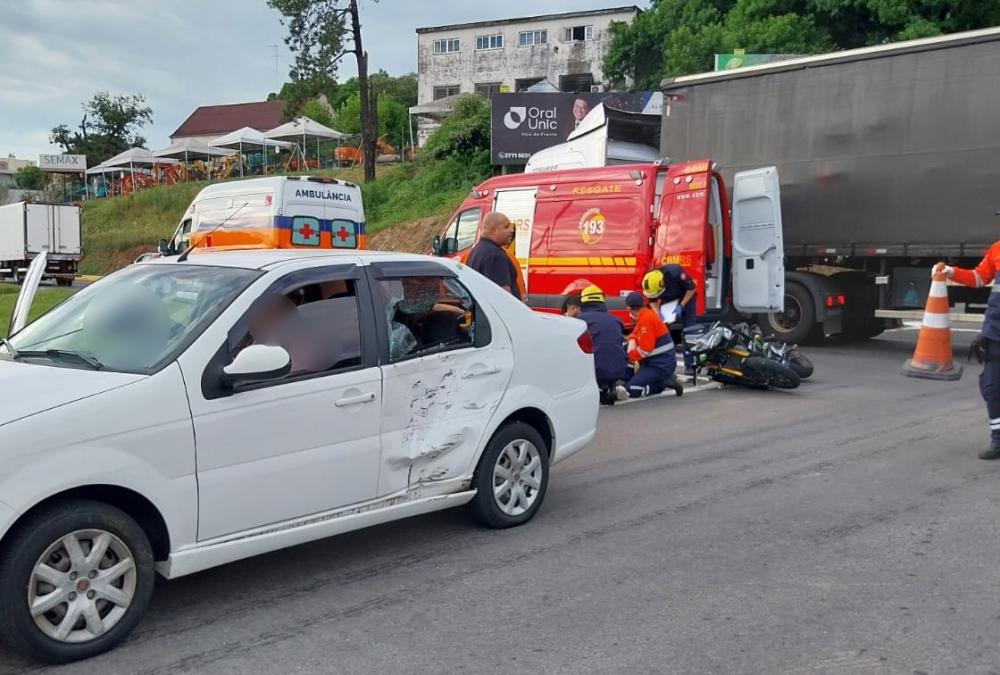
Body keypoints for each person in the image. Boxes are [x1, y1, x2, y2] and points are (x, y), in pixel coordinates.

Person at [937, 254, 1000, 459]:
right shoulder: (997, 249)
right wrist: (952, 272)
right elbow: (979, 278)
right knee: (992, 388)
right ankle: (998, 439)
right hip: (996, 332)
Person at [623, 292, 683, 399]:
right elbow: (634, 334)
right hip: (656, 362)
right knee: (627, 377)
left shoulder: (647, 319)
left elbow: (645, 350)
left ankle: (663, 384)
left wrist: (629, 355)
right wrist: (631, 341)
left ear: (629, 308)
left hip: (660, 365)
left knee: (632, 390)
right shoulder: (645, 315)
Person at [577, 285, 630, 405]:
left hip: (596, 371)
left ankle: (599, 390)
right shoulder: (616, 320)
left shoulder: (581, 321)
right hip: (619, 370)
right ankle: (607, 387)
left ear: (583, 303)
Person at [643, 265, 698, 375]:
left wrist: (681, 306)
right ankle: (667, 366)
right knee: (664, 334)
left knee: (689, 332)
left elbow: (691, 288)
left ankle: (690, 365)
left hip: (685, 299)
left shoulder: (675, 273)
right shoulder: (651, 282)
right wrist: (658, 313)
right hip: (668, 303)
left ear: (662, 283)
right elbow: (652, 301)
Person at [465, 211, 522, 300]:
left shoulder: (476, 251)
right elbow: (503, 296)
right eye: (506, 227)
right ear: (494, 231)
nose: (512, 230)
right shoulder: (495, 256)